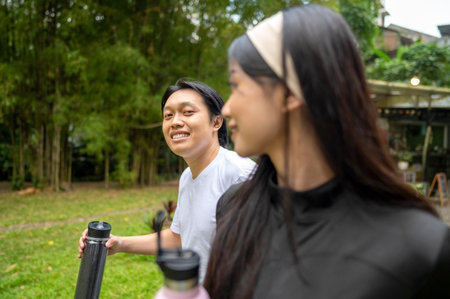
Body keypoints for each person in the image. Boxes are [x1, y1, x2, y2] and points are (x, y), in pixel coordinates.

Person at [204, 5, 450, 299]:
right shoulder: (234, 209)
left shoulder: (419, 247)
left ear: (291, 93)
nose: (227, 108)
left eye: (236, 85)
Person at [78, 80, 255, 283]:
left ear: (216, 122)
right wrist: (119, 243)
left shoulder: (241, 174)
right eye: (168, 115)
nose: (175, 122)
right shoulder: (187, 177)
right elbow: (179, 237)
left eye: (187, 112)